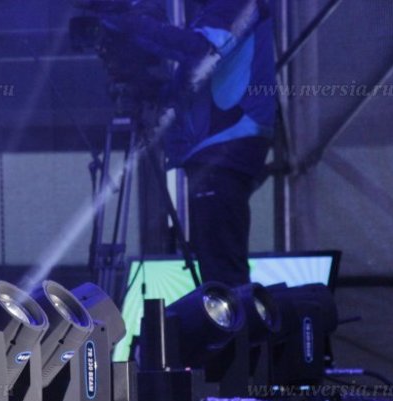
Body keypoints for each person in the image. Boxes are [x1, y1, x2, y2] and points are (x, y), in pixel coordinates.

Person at [102, 0, 276, 288]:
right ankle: (229, 313)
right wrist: (153, 91)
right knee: (216, 266)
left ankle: (235, 316)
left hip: (226, 143)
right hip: (220, 146)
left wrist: (130, 23)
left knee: (221, 271)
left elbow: (199, 51)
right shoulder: (214, 12)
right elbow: (195, 79)